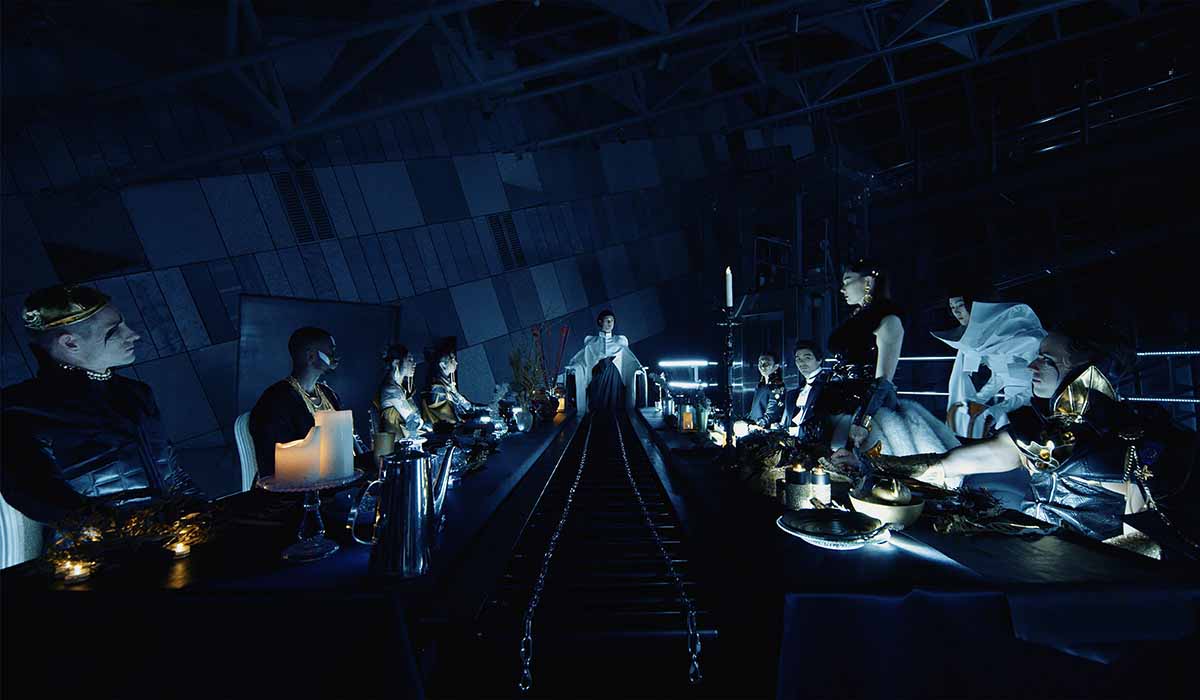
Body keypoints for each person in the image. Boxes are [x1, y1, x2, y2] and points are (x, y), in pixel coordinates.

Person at [831, 327, 1199, 557]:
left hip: (1090, 594)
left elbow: (1147, 547)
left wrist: (1077, 569)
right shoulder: (1034, 432)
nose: (1032, 366)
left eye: (1046, 359)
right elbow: (949, 464)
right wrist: (871, 465)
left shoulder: (1137, 444)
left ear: (1086, 367)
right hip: (1035, 566)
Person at [2, 285, 204, 524]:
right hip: (104, 544)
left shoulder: (137, 394)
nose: (133, 335)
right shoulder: (22, 409)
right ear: (70, 343)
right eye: (115, 329)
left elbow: (172, 471)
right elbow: (38, 496)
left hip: (176, 530)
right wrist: (122, 529)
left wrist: (201, 512)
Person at [797, 259, 959, 460]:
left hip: (866, 407)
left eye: (847, 280)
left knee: (856, 461)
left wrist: (863, 421)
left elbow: (883, 381)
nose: (842, 289)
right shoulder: (859, 318)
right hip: (836, 403)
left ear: (868, 282)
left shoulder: (888, 318)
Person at [933, 292, 1045, 440]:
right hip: (1010, 406)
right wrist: (977, 400)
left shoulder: (1024, 337)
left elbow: (1035, 389)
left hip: (1034, 407)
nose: (956, 312)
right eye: (952, 307)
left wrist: (998, 409)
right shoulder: (983, 341)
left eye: (960, 305)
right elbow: (1000, 376)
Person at [248, 327, 344, 477]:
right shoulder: (276, 400)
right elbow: (275, 461)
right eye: (331, 351)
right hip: (298, 485)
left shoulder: (329, 394)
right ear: (311, 356)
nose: (335, 356)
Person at [566, 310, 643, 413]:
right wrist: (574, 367)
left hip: (615, 378)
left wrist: (637, 367)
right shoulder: (591, 342)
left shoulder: (620, 341)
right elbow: (582, 359)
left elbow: (630, 359)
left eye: (612, 321)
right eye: (607, 321)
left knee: (615, 404)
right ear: (600, 322)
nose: (610, 324)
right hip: (597, 377)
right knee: (596, 404)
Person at [421, 337, 475, 428]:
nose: (456, 363)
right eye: (453, 359)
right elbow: (447, 418)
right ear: (442, 365)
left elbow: (467, 406)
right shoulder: (437, 388)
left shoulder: (448, 385)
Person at [377, 344, 425, 440]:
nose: (414, 364)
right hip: (396, 443)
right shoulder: (391, 390)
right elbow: (414, 421)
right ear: (396, 363)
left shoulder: (400, 389)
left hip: (404, 439)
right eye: (409, 360)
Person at [782, 340, 825, 434]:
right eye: (798, 359)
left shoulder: (828, 385)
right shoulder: (797, 390)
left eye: (807, 358)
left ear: (819, 360)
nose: (801, 363)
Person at [748, 352, 785, 428]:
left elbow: (772, 415)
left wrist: (751, 425)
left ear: (776, 366)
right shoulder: (760, 386)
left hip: (766, 431)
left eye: (767, 363)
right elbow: (754, 411)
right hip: (756, 428)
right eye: (760, 363)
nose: (762, 367)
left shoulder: (777, 387)